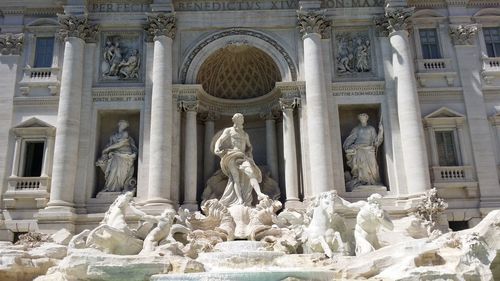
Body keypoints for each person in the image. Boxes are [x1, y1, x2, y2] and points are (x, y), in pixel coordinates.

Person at [214, 113, 268, 207]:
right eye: (239, 119)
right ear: (234, 120)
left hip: (242, 156)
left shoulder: (245, 134)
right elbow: (220, 140)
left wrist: (249, 153)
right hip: (232, 155)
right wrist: (216, 148)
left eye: (242, 119)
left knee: (251, 173)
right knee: (236, 178)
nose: (241, 120)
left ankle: (259, 193)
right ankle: (240, 199)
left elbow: (249, 146)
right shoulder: (229, 130)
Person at [343, 113, 383, 190]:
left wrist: (381, 131)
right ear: (359, 119)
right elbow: (349, 140)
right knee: (360, 167)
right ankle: (361, 181)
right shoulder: (356, 129)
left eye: (365, 117)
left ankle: (372, 182)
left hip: (369, 150)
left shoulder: (371, 129)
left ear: (367, 118)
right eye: (361, 117)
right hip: (359, 150)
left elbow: (376, 142)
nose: (363, 118)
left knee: (373, 167)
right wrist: (350, 147)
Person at [96, 120, 137, 192]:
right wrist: (105, 151)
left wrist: (108, 149)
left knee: (120, 172)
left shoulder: (125, 133)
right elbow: (109, 144)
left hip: (125, 155)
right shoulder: (113, 136)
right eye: (122, 124)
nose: (123, 126)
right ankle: (110, 187)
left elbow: (120, 143)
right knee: (113, 170)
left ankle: (118, 188)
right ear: (119, 124)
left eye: (125, 125)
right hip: (114, 155)